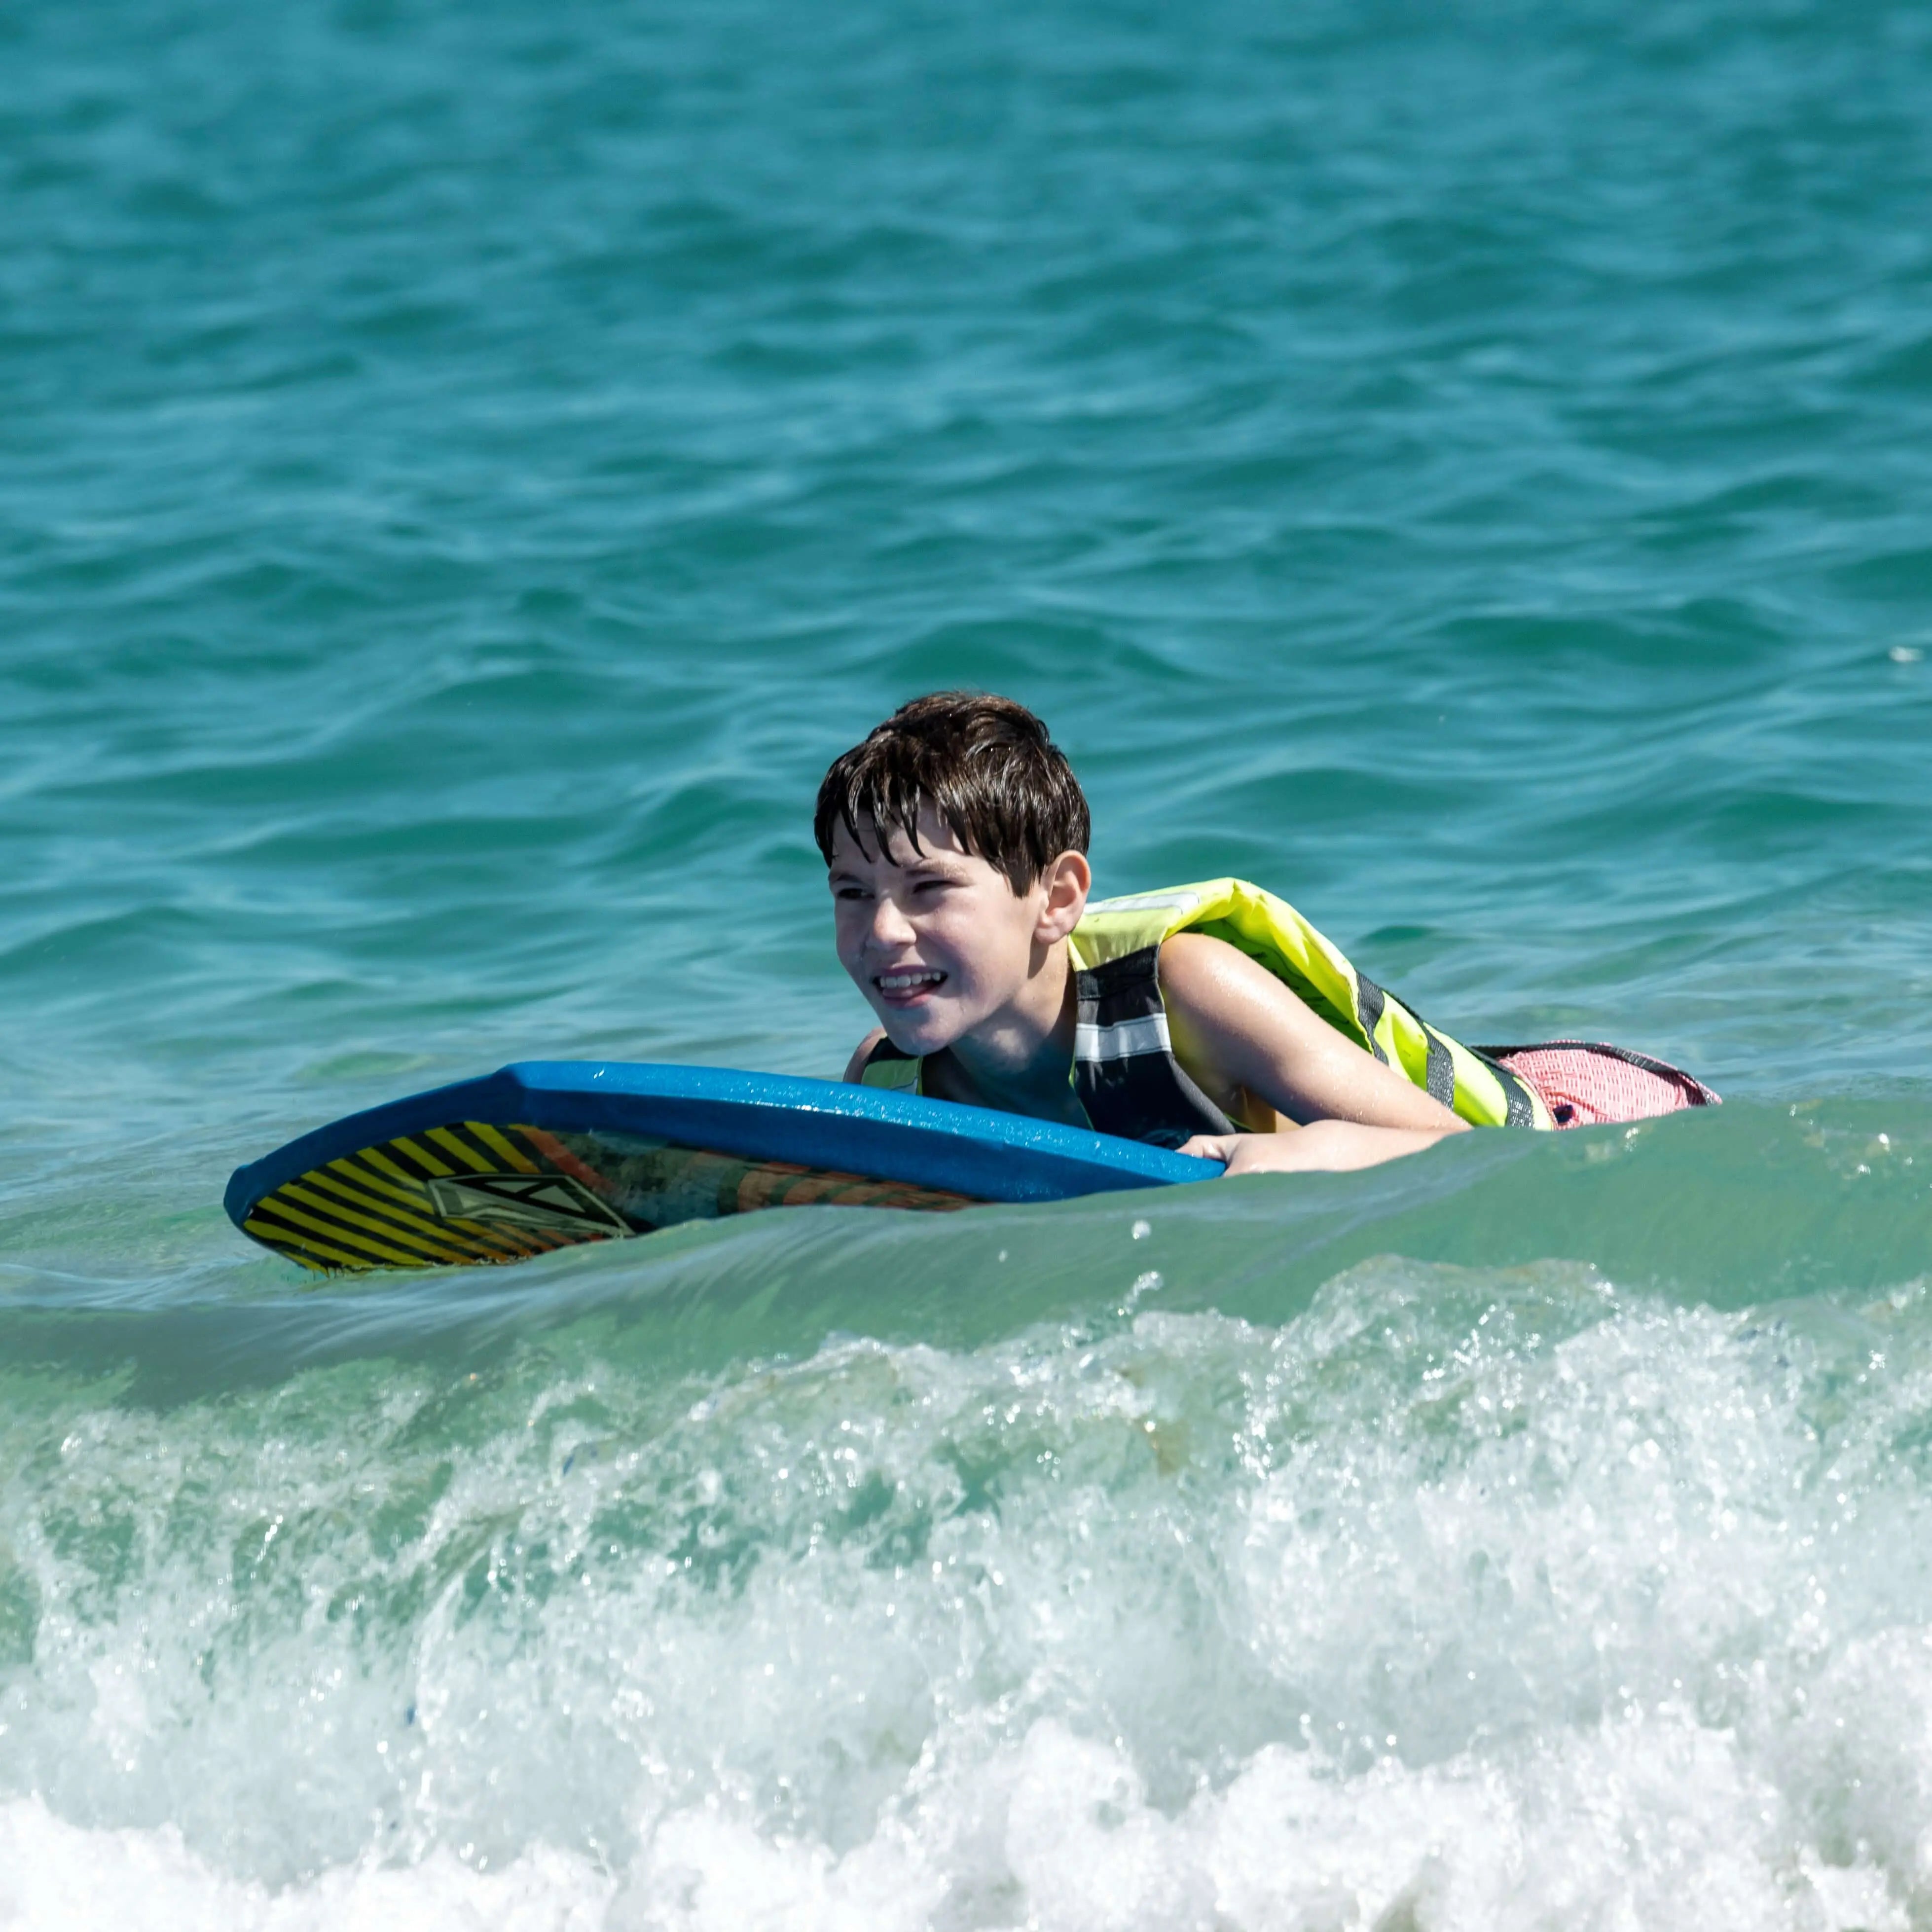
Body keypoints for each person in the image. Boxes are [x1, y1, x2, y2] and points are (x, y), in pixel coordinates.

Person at [817, 691, 1556, 1176]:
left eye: (930, 889)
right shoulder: (887, 1081)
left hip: (1556, 1120)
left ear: (1058, 898)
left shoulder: (1186, 994)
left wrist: (1314, 1150)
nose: (882, 930)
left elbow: (1465, 1156)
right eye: (852, 892)